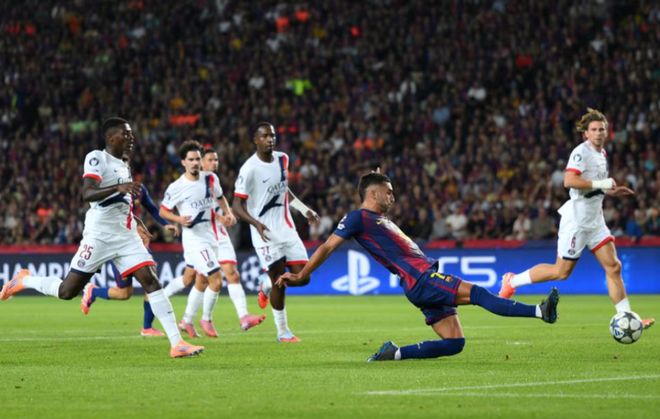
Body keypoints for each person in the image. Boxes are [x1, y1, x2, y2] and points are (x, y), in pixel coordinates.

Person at [277, 171, 560, 361]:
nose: (393, 197)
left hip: (419, 282)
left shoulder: (377, 218)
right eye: (388, 192)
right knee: (479, 294)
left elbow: (376, 193)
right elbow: (327, 246)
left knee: (455, 343)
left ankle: (395, 354)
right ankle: (540, 311)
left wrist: (378, 177)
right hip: (421, 278)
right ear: (373, 194)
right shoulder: (357, 218)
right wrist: (302, 274)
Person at [0, 117, 203, 358]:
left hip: (126, 237)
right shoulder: (97, 157)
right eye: (126, 134)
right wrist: (118, 188)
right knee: (67, 291)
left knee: (151, 281)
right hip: (99, 236)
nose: (131, 138)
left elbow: (121, 202)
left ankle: (177, 343)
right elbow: (88, 193)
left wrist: (135, 220)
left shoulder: (124, 165)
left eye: (131, 134)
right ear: (110, 137)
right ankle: (25, 280)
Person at [499, 109, 654, 329]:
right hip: (577, 222)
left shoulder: (602, 154)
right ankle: (512, 281)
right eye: (594, 130)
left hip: (595, 220)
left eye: (601, 129)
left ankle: (627, 318)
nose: (598, 133)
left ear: (606, 132)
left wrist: (611, 191)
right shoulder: (581, 152)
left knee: (614, 266)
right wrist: (601, 184)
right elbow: (569, 180)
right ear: (586, 134)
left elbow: (593, 187)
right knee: (561, 272)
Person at [162, 147, 265, 337]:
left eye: (215, 160)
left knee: (203, 279)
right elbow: (164, 210)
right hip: (196, 239)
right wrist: (178, 220)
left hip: (213, 236)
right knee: (212, 279)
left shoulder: (211, 179)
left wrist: (227, 213)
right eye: (208, 159)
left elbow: (219, 198)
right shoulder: (178, 186)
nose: (212, 163)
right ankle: (206, 317)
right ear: (184, 162)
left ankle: (187, 320)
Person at [232, 122, 320, 342]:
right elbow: (236, 206)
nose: (270, 139)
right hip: (265, 234)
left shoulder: (283, 159)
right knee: (280, 283)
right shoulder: (249, 169)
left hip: (287, 230)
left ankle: (266, 285)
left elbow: (283, 190)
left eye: (272, 135)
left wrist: (304, 210)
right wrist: (255, 223)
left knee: (304, 277)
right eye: (264, 136)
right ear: (256, 140)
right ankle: (283, 332)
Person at [80, 156, 180, 338]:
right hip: (118, 241)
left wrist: (166, 224)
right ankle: (94, 291)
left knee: (146, 283)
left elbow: (152, 208)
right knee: (125, 292)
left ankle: (147, 327)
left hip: (135, 241)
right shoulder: (109, 190)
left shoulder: (138, 190)